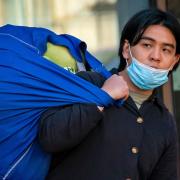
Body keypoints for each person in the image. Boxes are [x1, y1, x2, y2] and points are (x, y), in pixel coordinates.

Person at [39, 9, 180, 180]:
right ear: (126, 49)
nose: (156, 56)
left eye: (166, 50)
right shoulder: (89, 83)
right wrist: (104, 96)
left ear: (174, 60)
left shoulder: (164, 120)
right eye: (147, 45)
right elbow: (49, 138)